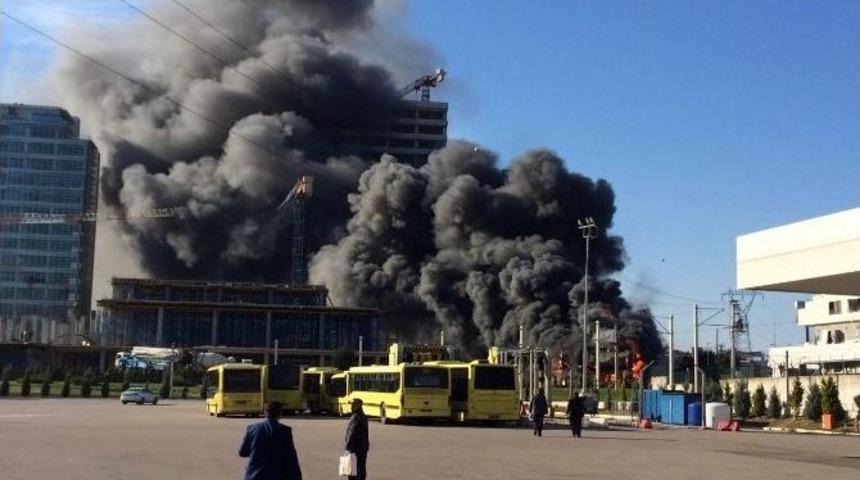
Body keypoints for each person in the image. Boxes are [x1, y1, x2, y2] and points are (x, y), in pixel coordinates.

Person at [239, 401, 302, 480]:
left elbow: (242, 452)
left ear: (265, 412)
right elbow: (291, 458)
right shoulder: (285, 431)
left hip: (253, 476)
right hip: (276, 476)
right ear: (280, 414)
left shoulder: (252, 429)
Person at [345, 398, 370, 480]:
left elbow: (351, 434)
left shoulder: (355, 417)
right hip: (363, 448)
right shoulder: (364, 416)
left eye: (353, 404)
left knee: (352, 472)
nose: (351, 406)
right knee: (361, 470)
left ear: (358, 405)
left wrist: (347, 447)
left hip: (355, 449)